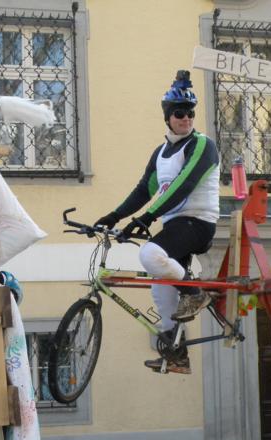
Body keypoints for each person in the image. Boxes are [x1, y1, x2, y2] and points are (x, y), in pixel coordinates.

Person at [94, 70, 220, 374]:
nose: (186, 118)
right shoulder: (161, 153)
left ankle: (195, 293)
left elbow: (183, 186)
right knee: (160, 285)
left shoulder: (202, 145)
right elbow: (144, 190)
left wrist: (147, 218)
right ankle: (177, 355)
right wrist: (115, 216)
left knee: (150, 254)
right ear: (167, 117)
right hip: (176, 225)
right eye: (179, 113)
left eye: (190, 113)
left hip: (198, 223)